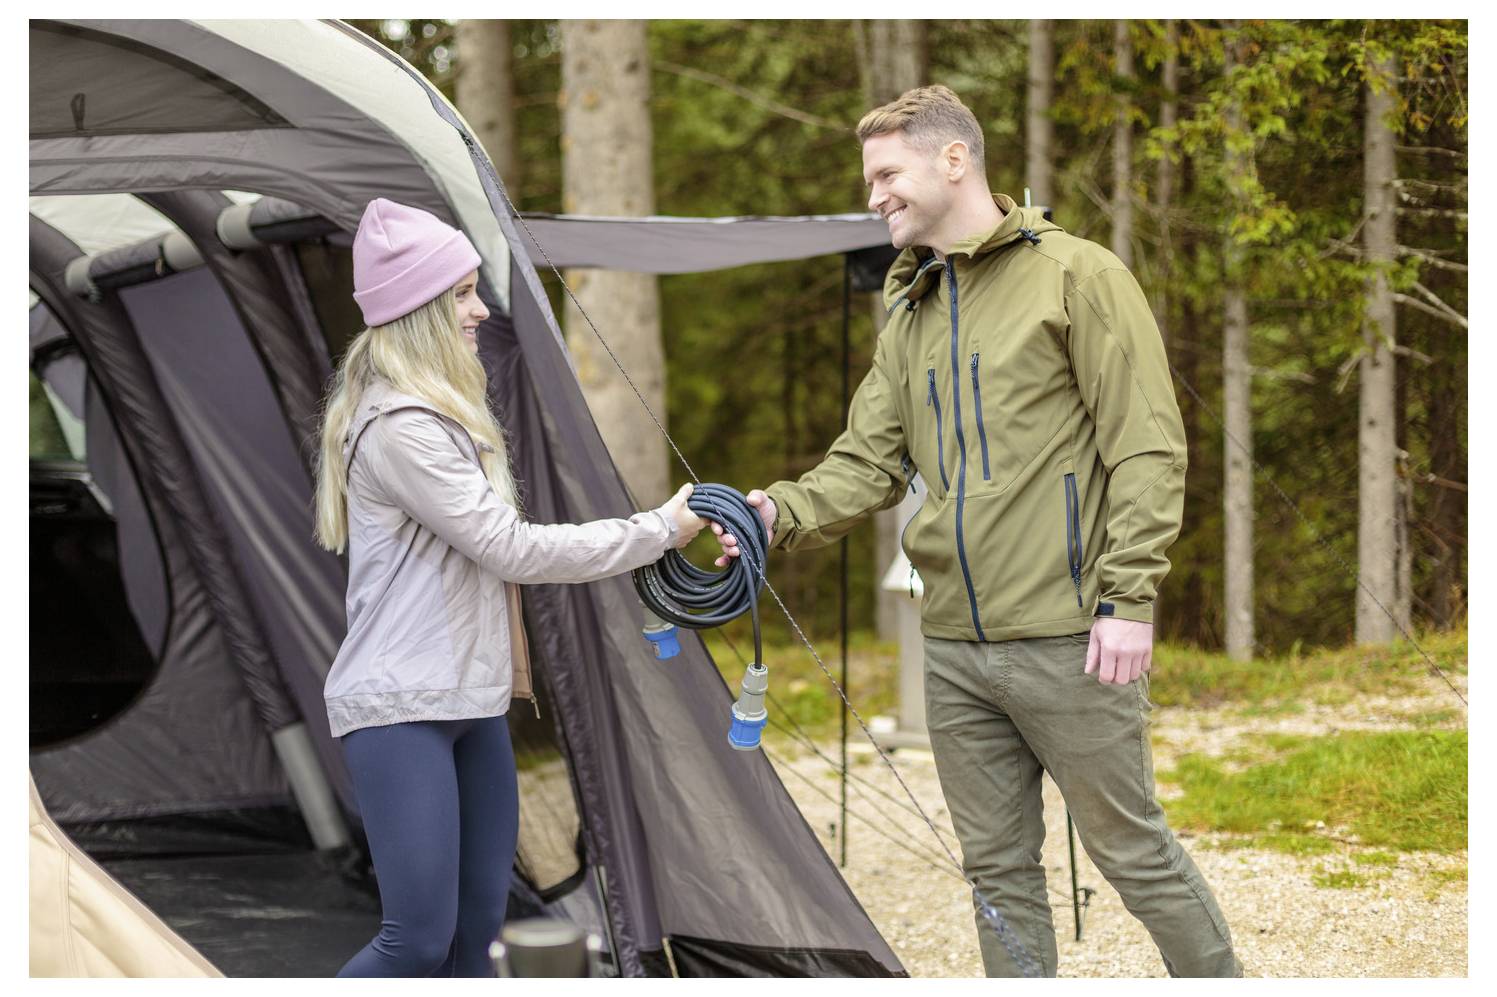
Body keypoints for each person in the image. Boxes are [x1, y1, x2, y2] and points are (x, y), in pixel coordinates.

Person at [713, 86, 1240, 977]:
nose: (874, 194)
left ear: (953, 159)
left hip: (1071, 636)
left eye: (887, 174)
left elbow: (1147, 446)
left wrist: (1128, 598)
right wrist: (776, 514)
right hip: (953, 648)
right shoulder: (911, 312)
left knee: (1132, 854)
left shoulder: (1077, 275)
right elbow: (867, 463)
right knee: (996, 871)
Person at [313, 198, 703, 977]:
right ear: (420, 309)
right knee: (416, 941)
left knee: (475, 938)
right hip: (401, 710)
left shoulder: (440, 412)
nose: (479, 310)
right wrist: (659, 529)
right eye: (461, 294)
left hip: (472, 702)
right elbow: (511, 549)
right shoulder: (402, 428)